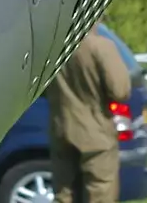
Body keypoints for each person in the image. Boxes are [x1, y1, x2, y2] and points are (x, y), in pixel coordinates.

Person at [46, 28, 132, 203]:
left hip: (60, 128)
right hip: (95, 131)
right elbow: (120, 90)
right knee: (100, 191)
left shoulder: (52, 48)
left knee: (64, 193)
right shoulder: (100, 47)